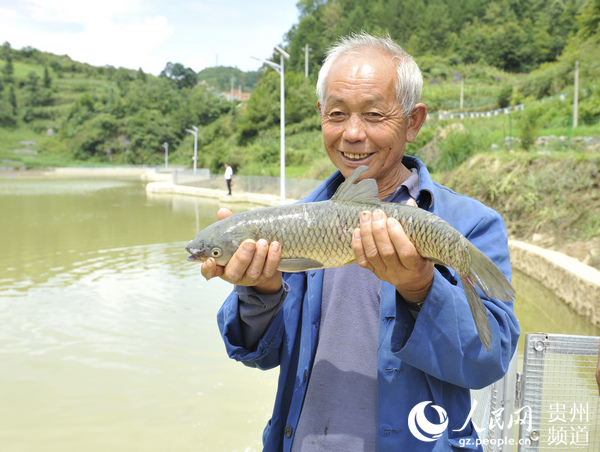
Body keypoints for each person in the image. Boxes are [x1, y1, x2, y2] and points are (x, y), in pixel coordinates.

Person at [199, 32, 520, 451]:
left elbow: (488, 361)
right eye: (337, 114)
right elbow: (257, 354)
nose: (352, 133)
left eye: (373, 115)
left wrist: (420, 288)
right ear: (320, 116)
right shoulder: (293, 222)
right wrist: (261, 290)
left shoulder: (470, 225)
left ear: (413, 121)